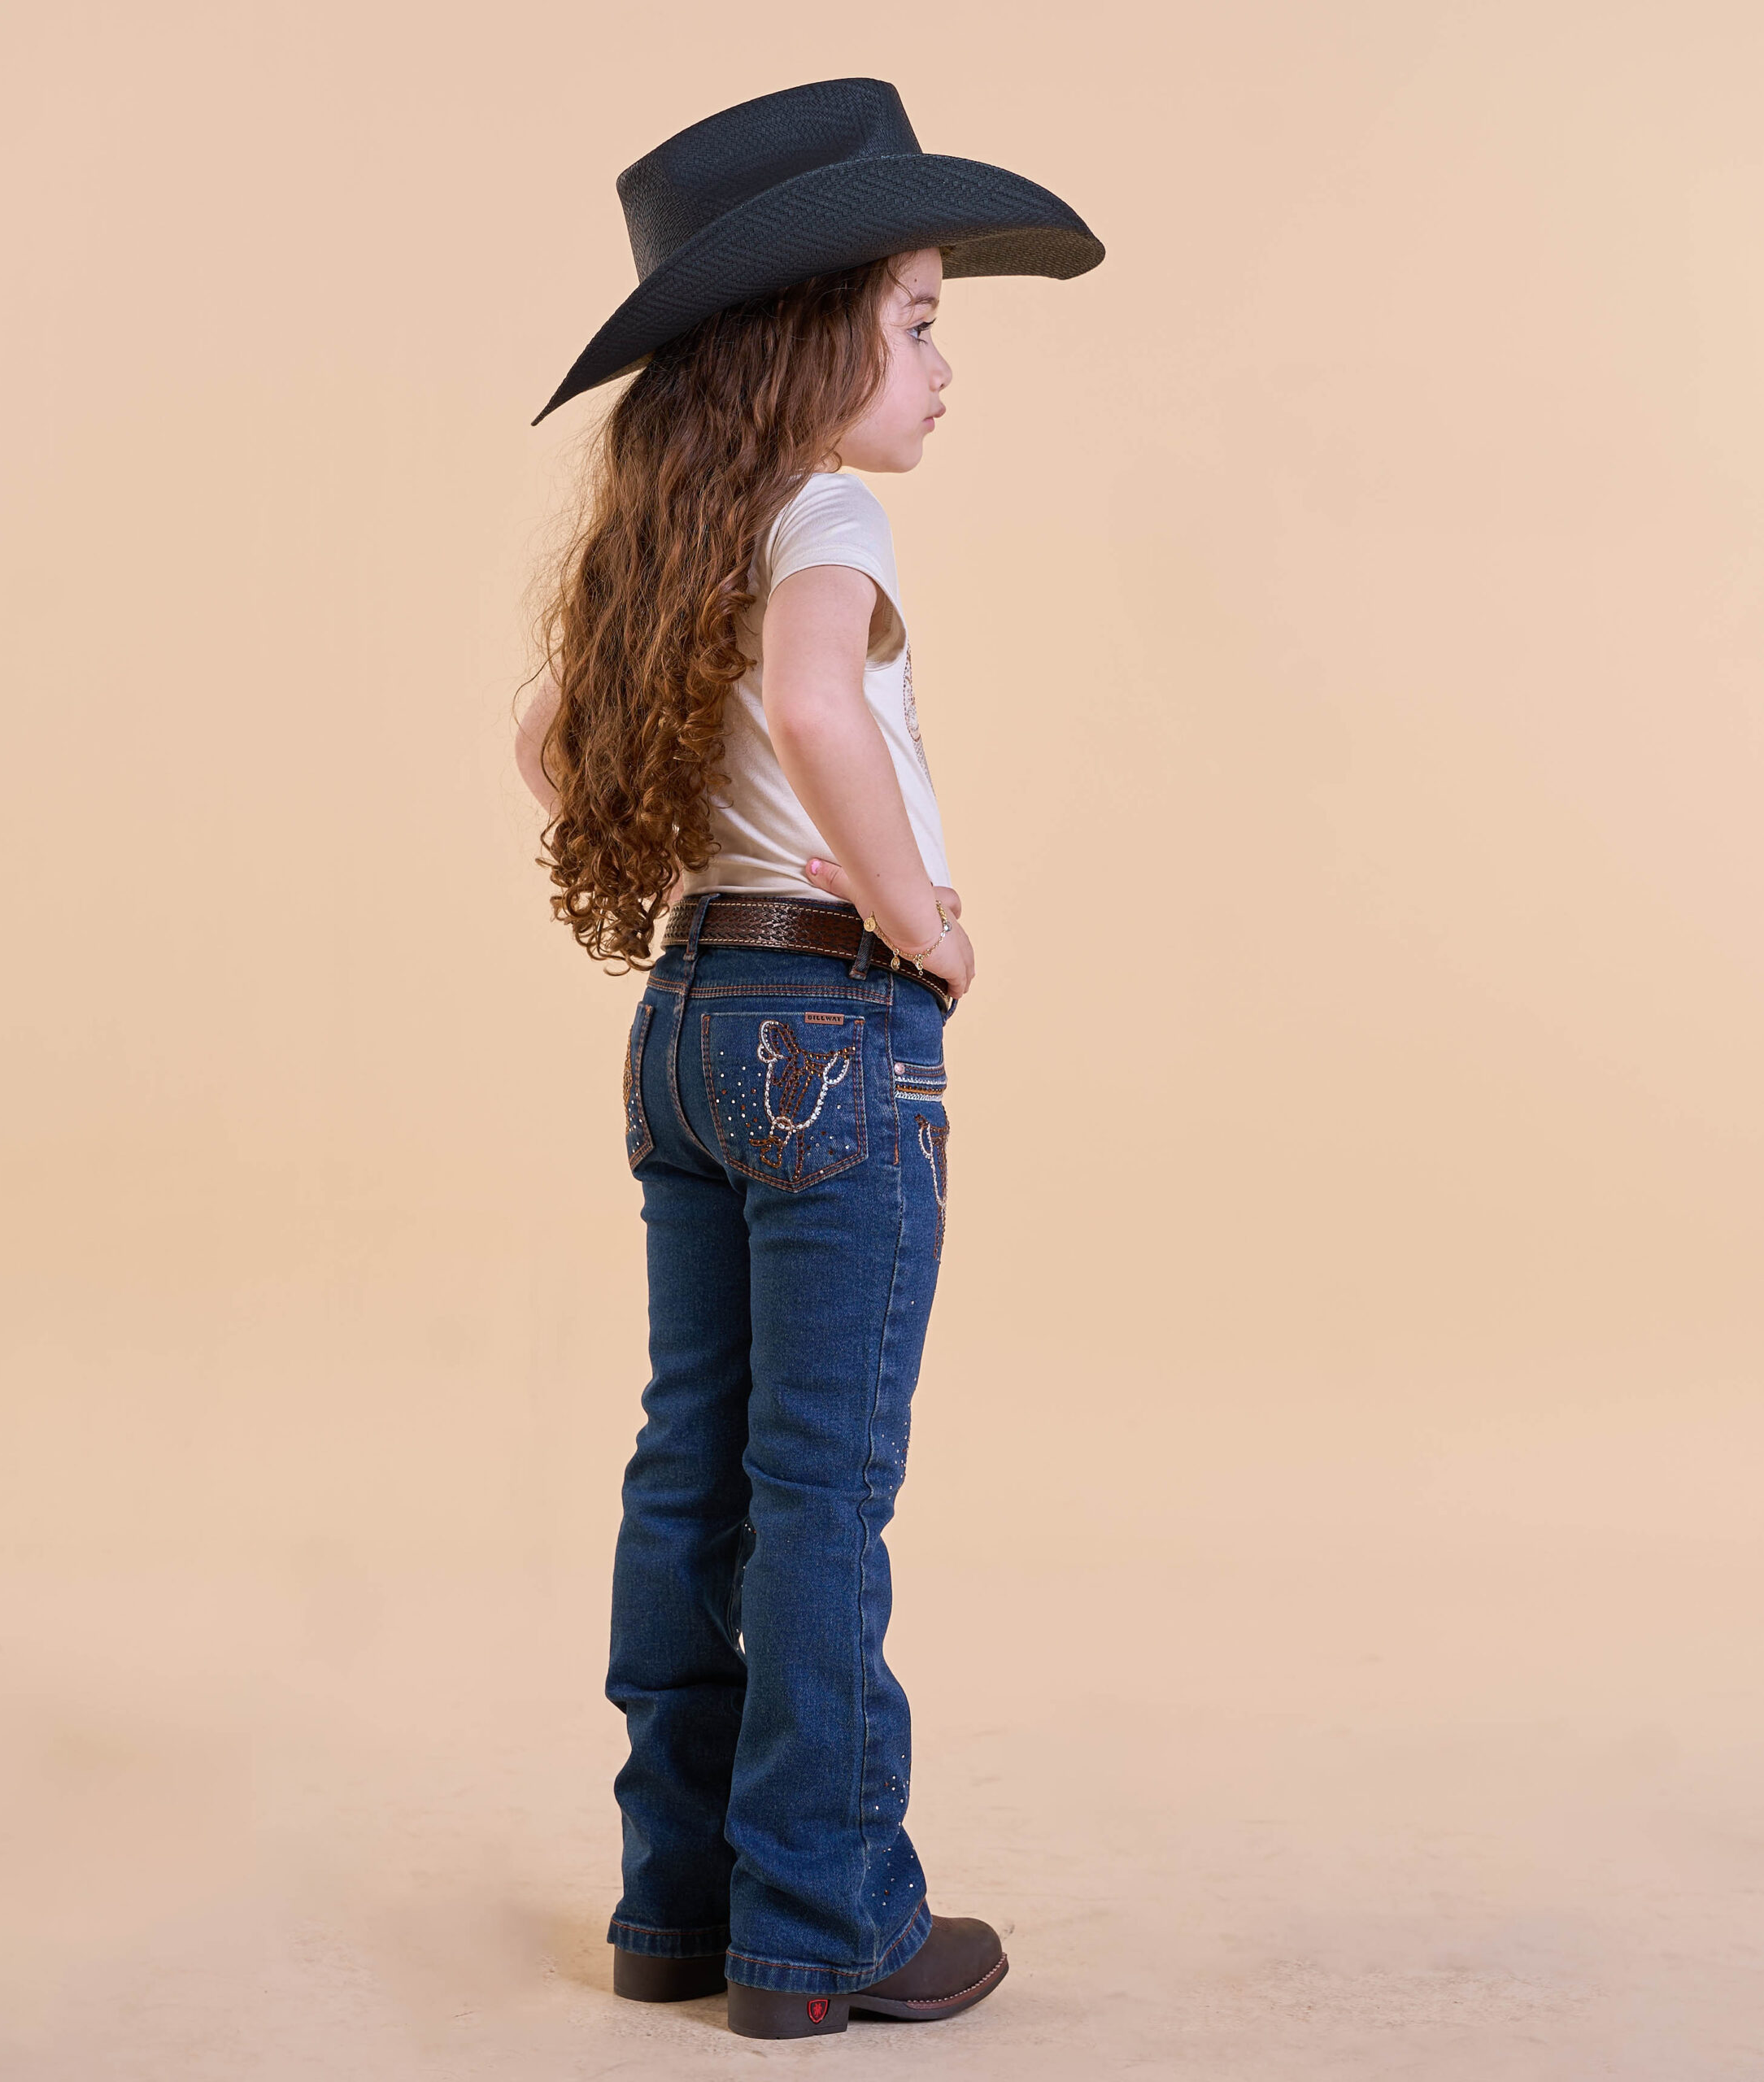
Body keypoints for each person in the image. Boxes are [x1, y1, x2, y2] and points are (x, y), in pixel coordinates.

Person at [515, 77, 1102, 2041]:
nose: (941, 366)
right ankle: (820, 1922)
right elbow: (813, 705)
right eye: (918, 321)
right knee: (820, 1489)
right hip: (828, 1030)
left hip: (688, 1019)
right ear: (804, 338)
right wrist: (920, 914)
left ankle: (673, 1903)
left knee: (691, 1466)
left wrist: (731, 841)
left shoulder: (672, 522)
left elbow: (545, 740)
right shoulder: (831, 513)